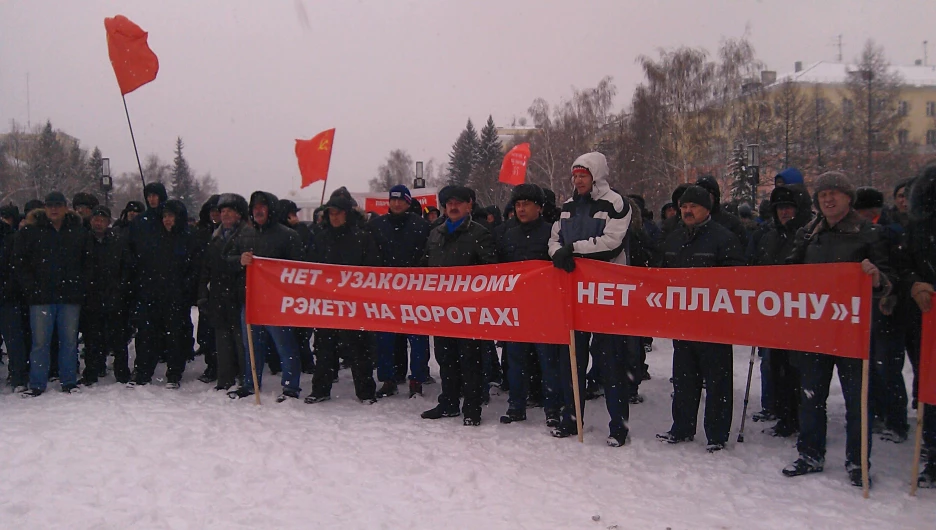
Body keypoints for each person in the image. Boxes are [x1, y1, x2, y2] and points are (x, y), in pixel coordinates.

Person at [782, 171, 891, 489]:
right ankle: (810, 453)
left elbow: (889, 283)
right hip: (816, 329)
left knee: (858, 400)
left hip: (853, 332)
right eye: (823, 194)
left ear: (848, 198)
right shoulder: (808, 233)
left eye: (835, 193)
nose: (828, 199)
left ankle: (858, 462)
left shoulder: (869, 234)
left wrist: (877, 277)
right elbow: (790, 271)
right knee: (811, 395)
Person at [548, 151, 633, 447]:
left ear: (595, 175)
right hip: (575, 293)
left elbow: (612, 242)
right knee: (572, 361)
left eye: (583, 175)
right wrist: (558, 253)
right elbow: (554, 238)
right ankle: (571, 419)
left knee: (611, 362)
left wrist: (574, 250)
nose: (578, 180)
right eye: (575, 176)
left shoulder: (616, 203)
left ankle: (618, 425)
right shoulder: (568, 206)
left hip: (607, 293)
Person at [655, 185, 744, 452]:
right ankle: (682, 427)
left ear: (707, 209)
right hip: (683, 322)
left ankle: (716, 434)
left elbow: (735, 277)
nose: (687, 211)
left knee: (717, 381)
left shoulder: (723, 238)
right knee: (683, 378)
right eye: (683, 207)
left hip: (714, 324)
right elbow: (660, 273)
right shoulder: (673, 238)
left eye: (693, 206)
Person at [420, 185, 498, 426]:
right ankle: (449, 402)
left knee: (470, 360)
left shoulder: (480, 234)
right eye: (449, 203)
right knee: (445, 357)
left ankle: (472, 407)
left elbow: (492, 269)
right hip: (442, 308)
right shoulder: (436, 233)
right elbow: (425, 265)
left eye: (458, 202)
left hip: (469, 309)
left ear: (469, 205)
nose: (453, 207)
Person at [495, 184, 562, 426]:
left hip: (545, 308)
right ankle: (516, 405)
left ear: (539, 208)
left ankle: (552, 408)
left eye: (526, 204)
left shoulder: (551, 233)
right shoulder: (507, 234)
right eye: (518, 205)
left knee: (548, 361)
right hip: (516, 307)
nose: (521, 209)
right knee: (515, 360)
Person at [228, 191, 306, 402]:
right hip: (252, 300)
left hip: (278, 303)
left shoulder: (288, 236)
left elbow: (299, 268)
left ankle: (291, 387)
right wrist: (239, 260)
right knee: (251, 346)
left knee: (285, 345)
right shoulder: (245, 234)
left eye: (262, 206)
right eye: (254, 207)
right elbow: (227, 259)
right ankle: (250, 382)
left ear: (271, 209)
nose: (258, 210)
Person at [305, 194, 382, 404]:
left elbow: (371, 268)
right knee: (324, 348)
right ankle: (320, 389)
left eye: (338, 213)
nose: (334, 217)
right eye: (331, 213)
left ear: (347, 214)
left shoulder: (361, 237)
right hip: (327, 303)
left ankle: (366, 391)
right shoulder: (321, 237)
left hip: (354, 302)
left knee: (359, 349)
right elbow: (311, 266)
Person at [750, 184, 814, 437]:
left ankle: (801, 417)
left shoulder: (809, 235)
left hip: (800, 314)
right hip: (773, 313)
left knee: (798, 369)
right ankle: (784, 415)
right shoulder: (769, 236)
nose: (784, 212)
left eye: (789, 208)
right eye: (780, 209)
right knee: (776, 366)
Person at [14, 192, 91, 396]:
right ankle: (37, 383)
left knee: (69, 341)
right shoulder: (31, 232)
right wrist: (31, 288)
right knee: (40, 343)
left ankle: (69, 381)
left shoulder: (78, 232)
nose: (54, 209)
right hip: (40, 298)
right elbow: (20, 263)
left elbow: (87, 263)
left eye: (58, 205)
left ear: (66, 208)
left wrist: (79, 286)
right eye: (50, 205)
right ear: (44, 208)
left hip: (69, 297)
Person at [854, 187, 909, 444]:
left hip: (888, 308)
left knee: (887, 366)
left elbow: (898, 268)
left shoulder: (890, 231)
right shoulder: (863, 232)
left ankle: (896, 421)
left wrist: (890, 292)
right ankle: (875, 412)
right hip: (866, 308)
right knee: (870, 364)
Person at [367, 185, 432, 398]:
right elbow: (369, 255)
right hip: (385, 291)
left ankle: (417, 379)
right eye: (393, 200)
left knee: (418, 338)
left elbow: (427, 254)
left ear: (407, 202)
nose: (396, 204)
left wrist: (415, 273)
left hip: (415, 290)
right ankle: (388, 379)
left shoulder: (421, 226)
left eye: (400, 200)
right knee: (385, 338)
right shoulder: (377, 226)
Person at [129, 200, 201, 389]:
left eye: (171, 216)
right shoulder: (154, 238)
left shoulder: (188, 238)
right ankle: (143, 371)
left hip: (177, 296)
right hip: (152, 295)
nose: (168, 220)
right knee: (147, 335)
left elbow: (194, 268)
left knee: (175, 336)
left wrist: (184, 288)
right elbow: (144, 264)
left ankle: (174, 373)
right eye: (165, 216)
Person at [902, 162, 936, 488]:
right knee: (931, 390)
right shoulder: (919, 227)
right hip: (927, 317)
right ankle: (933, 456)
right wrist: (914, 283)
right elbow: (904, 264)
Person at [198, 193, 251, 391]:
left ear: (239, 214)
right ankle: (225, 378)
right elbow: (208, 267)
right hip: (219, 295)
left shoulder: (247, 234)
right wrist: (203, 293)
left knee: (241, 341)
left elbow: (244, 263)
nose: (226, 215)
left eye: (230, 211)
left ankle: (245, 379)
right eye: (223, 211)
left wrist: (236, 263)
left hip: (238, 295)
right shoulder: (216, 236)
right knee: (222, 340)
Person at [82, 206, 132, 385]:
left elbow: (126, 267)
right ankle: (92, 372)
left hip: (114, 297)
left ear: (108, 222)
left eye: (102, 220)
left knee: (118, 338)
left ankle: (122, 372)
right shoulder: (84, 241)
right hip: (91, 297)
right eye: (96, 219)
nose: (98, 223)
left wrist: (120, 288)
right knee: (92, 338)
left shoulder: (117, 241)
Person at [277, 198, 315, 374]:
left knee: (302, 331)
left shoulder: (301, 232)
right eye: (292, 214)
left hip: (300, 288)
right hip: (284, 289)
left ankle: (305, 361)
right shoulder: (280, 234)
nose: (295, 217)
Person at [0, 204, 28, 391]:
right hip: (8, 295)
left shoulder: (12, 239)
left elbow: (16, 268)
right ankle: (18, 375)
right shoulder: (12, 237)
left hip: (8, 297)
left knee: (14, 340)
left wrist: (8, 289)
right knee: (14, 339)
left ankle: (19, 376)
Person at [194, 195, 221, 383]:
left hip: (225, 288)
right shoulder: (202, 232)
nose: (214, 214)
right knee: (208, 332)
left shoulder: (233, 232)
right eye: (212, 211)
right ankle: (212, 365)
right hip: (206, 286)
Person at [695, 175, 748, 246]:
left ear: (714, 197)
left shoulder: (731, 223)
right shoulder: (690, 221)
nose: (703, 200)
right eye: (699, 196)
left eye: (707, 196)